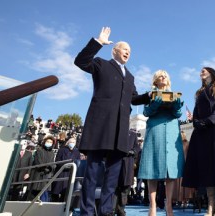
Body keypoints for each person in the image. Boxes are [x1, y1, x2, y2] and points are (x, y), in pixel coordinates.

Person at [74, 27, 151, 216]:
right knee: (92, 173)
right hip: (100, 126)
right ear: (114, 51)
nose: (128, 52)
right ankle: (86, 211)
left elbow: (133, 98)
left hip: (120, 130)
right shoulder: (101, 64)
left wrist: (149, 96)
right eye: (124, 48)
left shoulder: (131, 76)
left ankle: (106, 210)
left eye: (130, 51)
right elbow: (81, 61)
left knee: (113, 176)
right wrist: (98, 41)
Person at [182, 67, 215, 216]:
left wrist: (209, 121)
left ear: (211, 72)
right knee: (207, 168)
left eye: (204, 70)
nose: (201, 71)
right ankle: (210, 203)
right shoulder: (199, 92)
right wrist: (196, 123)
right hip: (202, 133)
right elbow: (196, 110)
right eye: (200, 70)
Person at [137, 70, 184, 216]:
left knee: (170, 172)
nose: (162, 77)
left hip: (171, 131)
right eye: (159, 76)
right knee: (152, 169)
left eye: (165, 76)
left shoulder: (174, 94)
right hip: (155, 131)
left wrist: (176, 107)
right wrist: (153, 106)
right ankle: (152, 206)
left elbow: (178, 114)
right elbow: (145, 113)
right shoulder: (150, 94)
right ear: (155, 81)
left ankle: (168, 205)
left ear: (168, 80)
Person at [114, 129, 141, 216]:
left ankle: (121, 210)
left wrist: (133, 151)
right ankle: (113, 209)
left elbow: (137, 147)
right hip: (115, 163)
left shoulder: (133, 134)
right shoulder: (116, 131)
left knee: (125, 190)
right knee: (114, 189)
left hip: (128, 165)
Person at [51, 138, 81, 202]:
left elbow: (78, 162)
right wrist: (66, 165)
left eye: (73, 142)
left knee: (66, 193)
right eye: (71, 142)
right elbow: (57, 161)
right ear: (68, 142)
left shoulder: (77, 152)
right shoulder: (61, 150)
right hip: (61, 172)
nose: (72, 143)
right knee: (56, 191)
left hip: (70, 173)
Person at [27, 135, 56, 202]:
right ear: (44, 142)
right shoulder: (39, 150)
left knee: (43, 192)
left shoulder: (52, 153)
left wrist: (49, 169)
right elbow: (38, 161)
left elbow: (52, 163)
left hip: (46, 175)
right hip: (37, 173)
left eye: (50, 142)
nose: (49, 143)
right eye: (48, 141)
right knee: (33, 192)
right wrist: (44, 168)